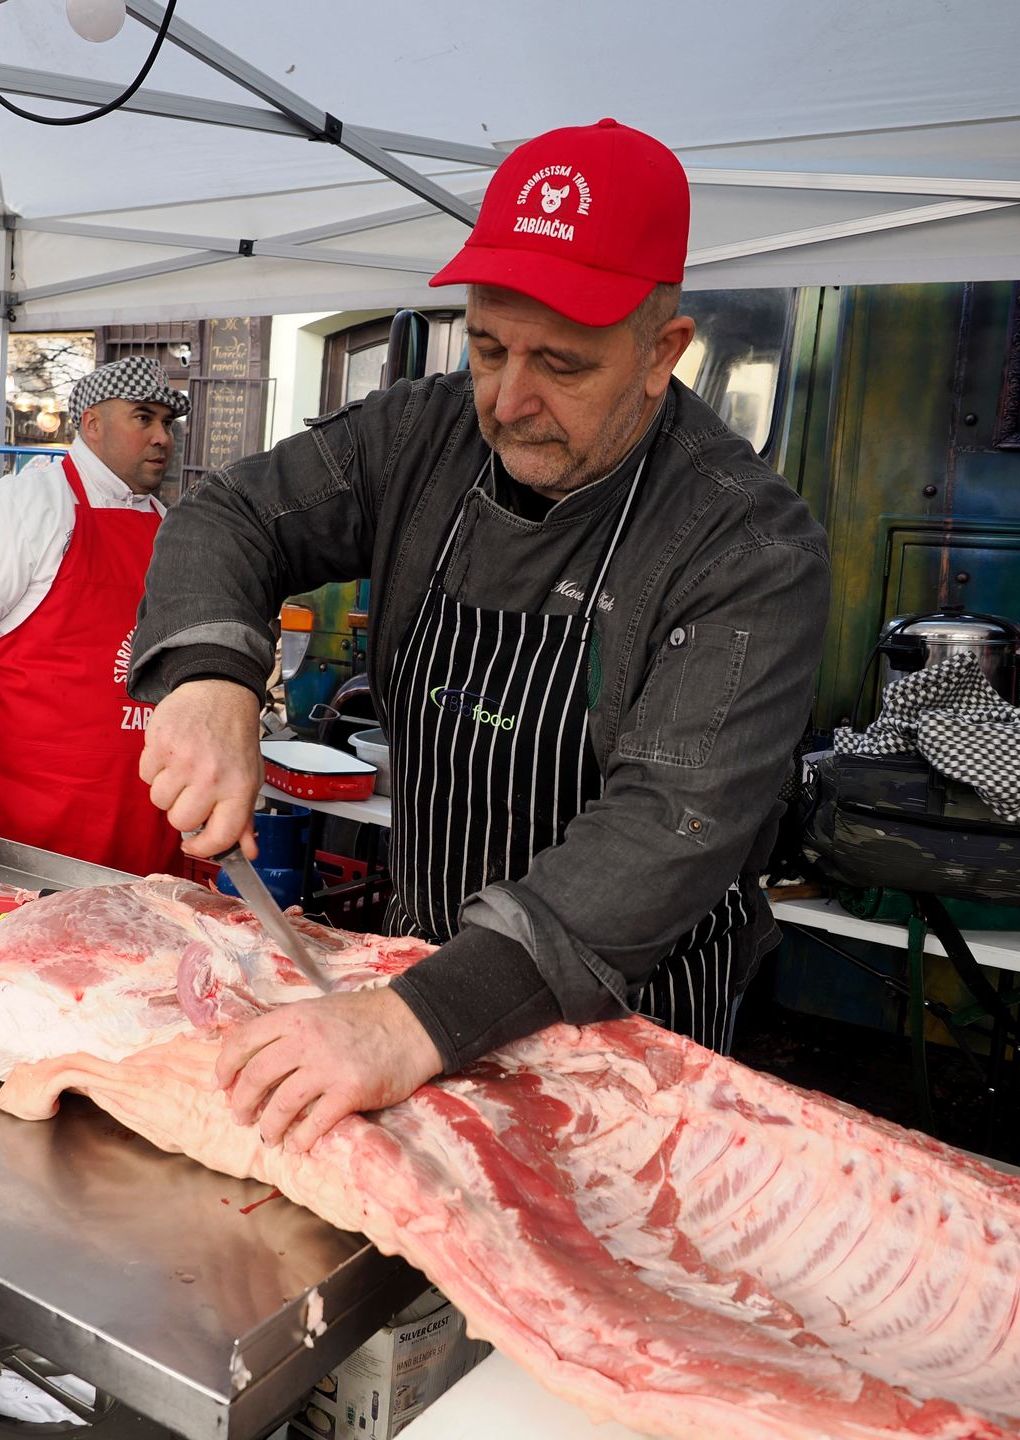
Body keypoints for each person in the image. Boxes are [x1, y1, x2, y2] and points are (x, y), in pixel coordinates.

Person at [131, 120, 831, 1151]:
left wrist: (413, 1021)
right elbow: (229, 516)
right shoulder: (419, 435)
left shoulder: (745, 546)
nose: (508, 401)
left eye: (562, 363)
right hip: (415, 978)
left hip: (628, 1028)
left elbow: (668, 828)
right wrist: (208, 677)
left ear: (661, 353)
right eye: (489, 345)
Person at [0, 355, 189, 875]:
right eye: (143, 417)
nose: (162, 437)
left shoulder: (169, 527)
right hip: (23, 825)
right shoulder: (21, 505)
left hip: (139, 821)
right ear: (93, 424)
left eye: (168, 423)